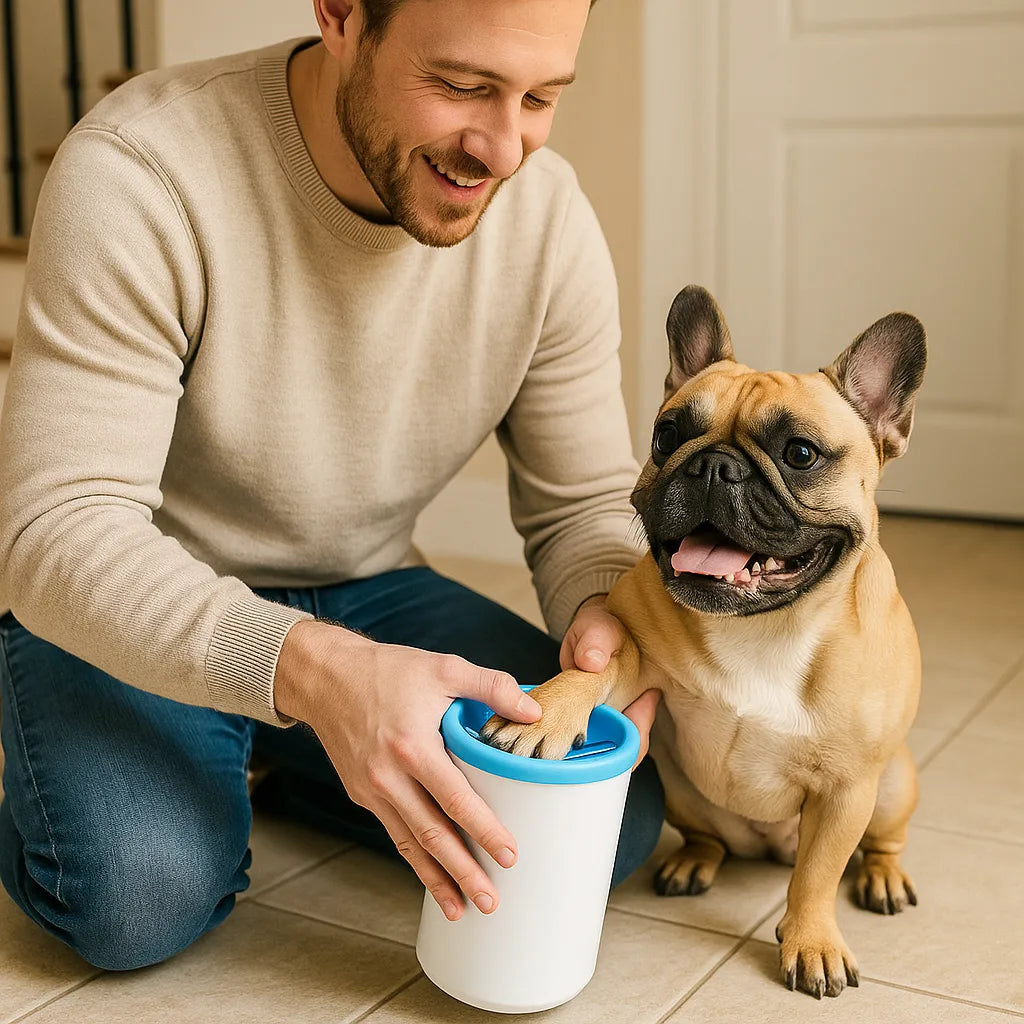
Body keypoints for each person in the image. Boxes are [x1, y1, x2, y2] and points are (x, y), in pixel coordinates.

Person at [0, 0, 664, 971]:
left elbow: (579, 507)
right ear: (341, 13)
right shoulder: (140, 169)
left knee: (613, 816)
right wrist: (309, 669)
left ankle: (273, 755)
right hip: (133, 600)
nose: (502, 147)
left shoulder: (548, 220)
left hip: (362, 587)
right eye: (463, 86)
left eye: (539, 97)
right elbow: (59, 527)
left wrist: (607, 625)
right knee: (137, 897)